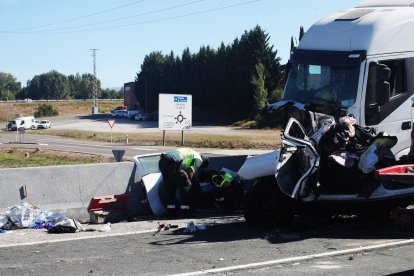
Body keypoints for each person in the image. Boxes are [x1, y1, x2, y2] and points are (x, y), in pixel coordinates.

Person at [158, 148, 203, 215]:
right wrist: (189, 182)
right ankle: (184, 211)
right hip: (174, 162)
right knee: (186, 186)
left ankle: (171, 211)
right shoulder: (199, 159)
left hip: (162, 161)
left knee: (170, 187)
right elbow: (190, 172)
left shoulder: (189, 150)